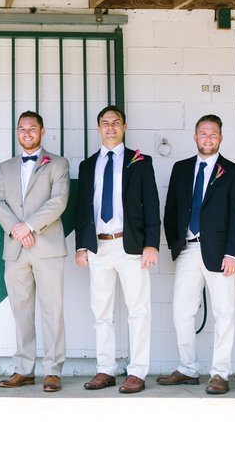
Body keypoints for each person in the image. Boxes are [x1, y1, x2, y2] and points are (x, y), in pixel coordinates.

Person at [157, 114, 235, 394]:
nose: (207, 139)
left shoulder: (233, 172)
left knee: (224, 313)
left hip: (221, 254)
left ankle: (220, 373)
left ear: (220, 138)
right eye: (202, 134)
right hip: (188, 249)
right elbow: (171, 210)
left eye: (213, 134)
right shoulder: (181, 169)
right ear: (195, 137)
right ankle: (187, 368)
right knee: (181, 312)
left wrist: (233, 253)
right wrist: (175, 243)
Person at [74, 105, 159, 394]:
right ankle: (105, 370)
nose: (110, 127)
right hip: (98, 247)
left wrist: (151, 244)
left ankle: (137, 372)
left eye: (116, 122)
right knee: (101, 312)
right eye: (105, 123)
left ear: (124, 127)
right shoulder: (88, 166)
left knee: (138, 310)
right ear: (98, 128)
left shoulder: (140, 162)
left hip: (131, 246)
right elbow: (82, 208)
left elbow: (152, 205)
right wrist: (82, 245)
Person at [0, 111, 70, 392]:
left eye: (32, 128)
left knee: (52, 309)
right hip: (15, 249)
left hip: (47, 247)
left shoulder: (58, 164)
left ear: (42, 131)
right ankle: (24, 369)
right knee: (21, 310)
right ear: (17, 132)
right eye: (22, 129)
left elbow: (58, 201)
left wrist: (28, 226)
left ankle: (53, 370)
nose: (27, 133)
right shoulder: (6, 167)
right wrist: (15, 228)